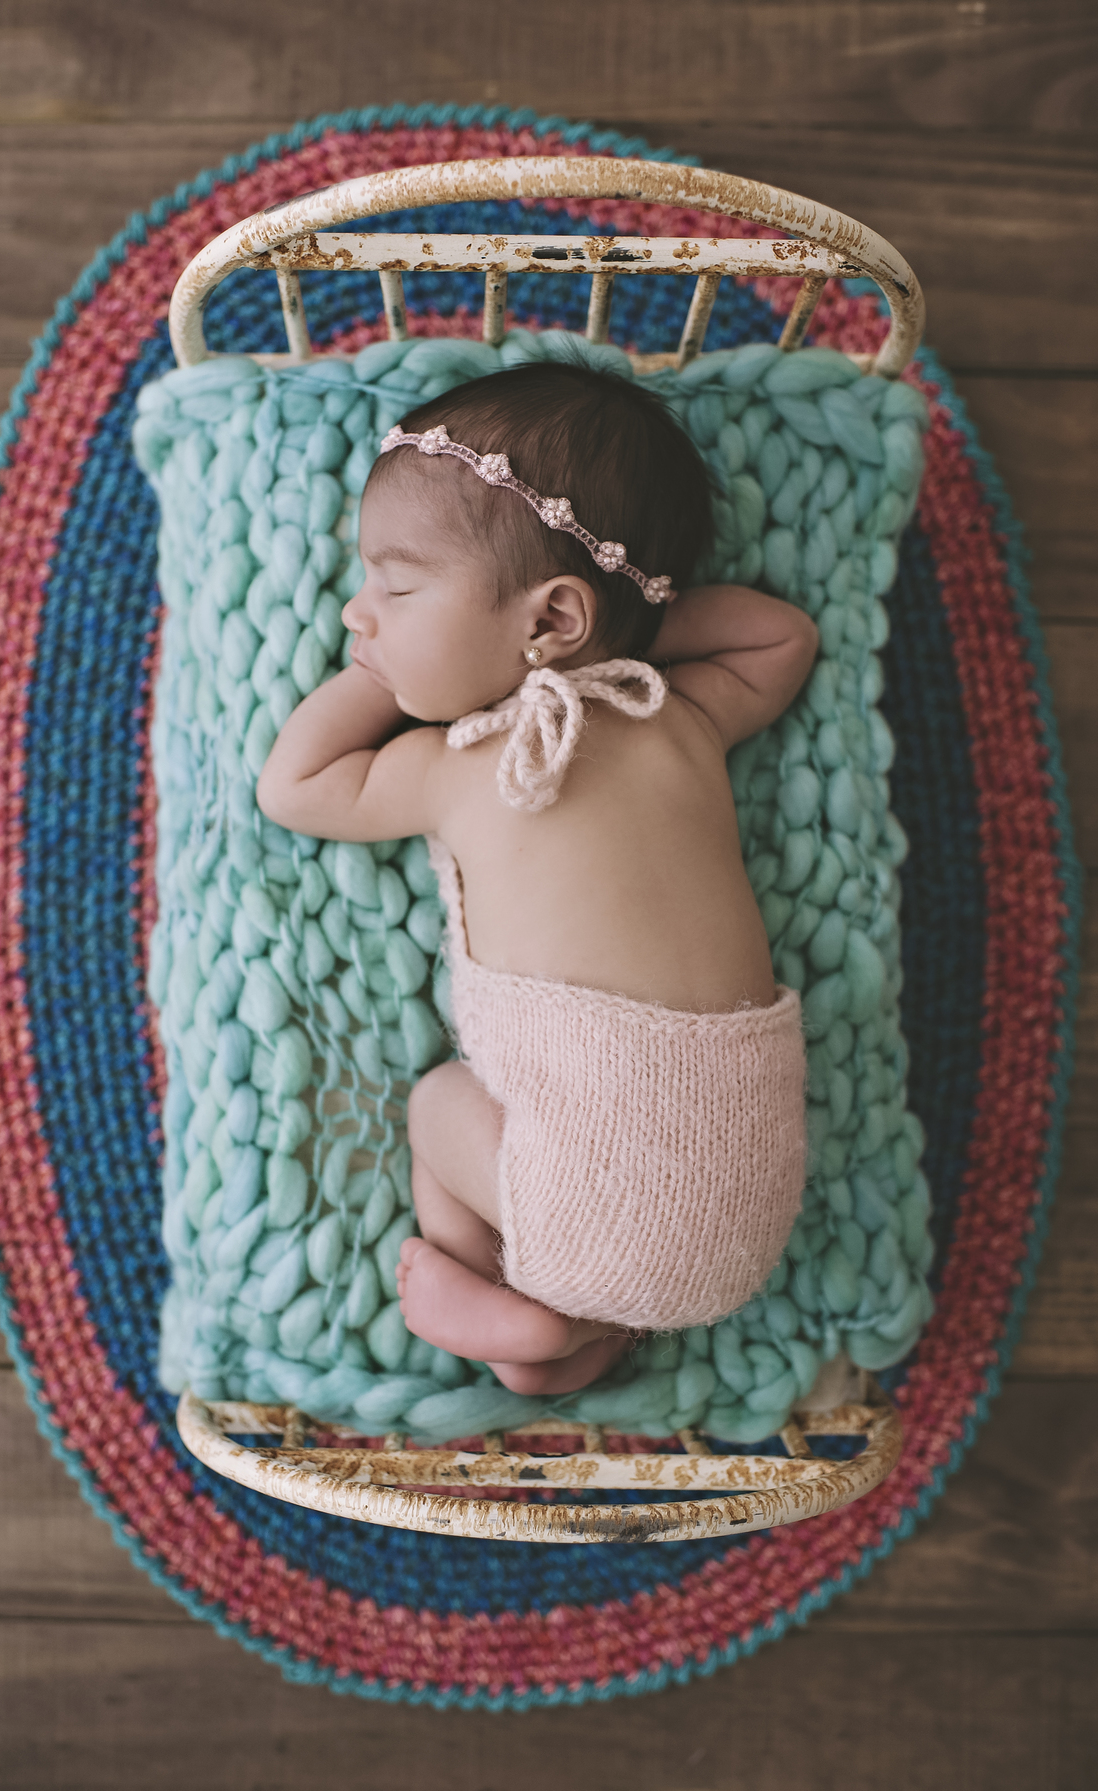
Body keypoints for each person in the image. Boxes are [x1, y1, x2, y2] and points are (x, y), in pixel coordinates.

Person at [257, 359, 816, 1397]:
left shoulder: (464, 767)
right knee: (584, 1206)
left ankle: (511, 1310)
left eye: (396, 585)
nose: (355, 616)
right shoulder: (676, 717)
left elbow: (297, 785)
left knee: (436, 1103)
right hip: (742, 1212)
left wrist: (372, 685)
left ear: (553, 619)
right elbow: (782, 637)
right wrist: (634, 625)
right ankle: (552, 1333)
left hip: (599, 1204)